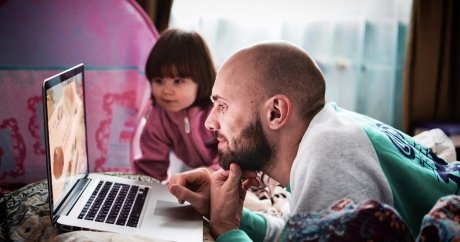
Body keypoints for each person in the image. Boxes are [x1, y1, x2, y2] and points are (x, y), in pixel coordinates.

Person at [167, 41, 460, 241]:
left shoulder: (330, 153)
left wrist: (226, 229)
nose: (209, 122)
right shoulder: (329, 129)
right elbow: (299, 230)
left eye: (222, 106)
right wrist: (233, 216)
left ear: (276, 112)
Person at [133, 28, 220, 182]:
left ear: (201, 79)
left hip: (239, 172)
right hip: (205, 173)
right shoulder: (158, 116)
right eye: (159, 81)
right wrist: (149, 187)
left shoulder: (217, 112)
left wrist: (211, 173)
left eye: (177, 81)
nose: (166, 91)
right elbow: (151, 166)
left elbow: (236, 154)